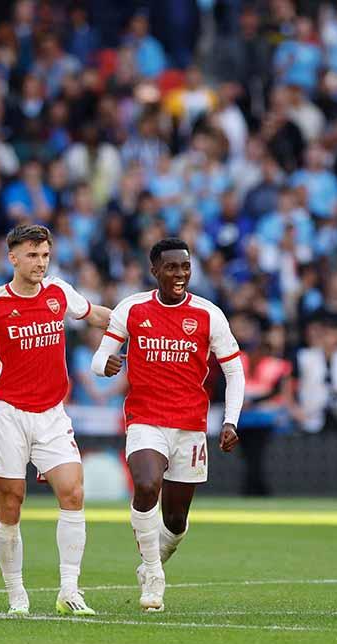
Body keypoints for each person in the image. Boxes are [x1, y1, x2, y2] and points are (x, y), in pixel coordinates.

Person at [0, 223, 110, 616]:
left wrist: (141, 319)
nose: (40, 263)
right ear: (13, 258)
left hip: (52, 412)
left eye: (44, 255)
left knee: (72, 491)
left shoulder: (59, 292)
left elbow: (95, 316)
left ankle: (70, 590)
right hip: (8, 412)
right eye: (32, 255)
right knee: (12, 500)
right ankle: (16, 594)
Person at [92, 237, 245, 613]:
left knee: (175, 521)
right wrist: (107, 367)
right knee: (146, 485)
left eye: (185, 267)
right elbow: (100, 359)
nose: (179, 274)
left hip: (190, 425)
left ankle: (152, 562)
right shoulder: (132, 308)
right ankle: (154, 576)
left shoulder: (209, 314)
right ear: (154, 270)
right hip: (145, 419)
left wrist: (230, 421)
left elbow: (235, 371)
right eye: (172, 267)